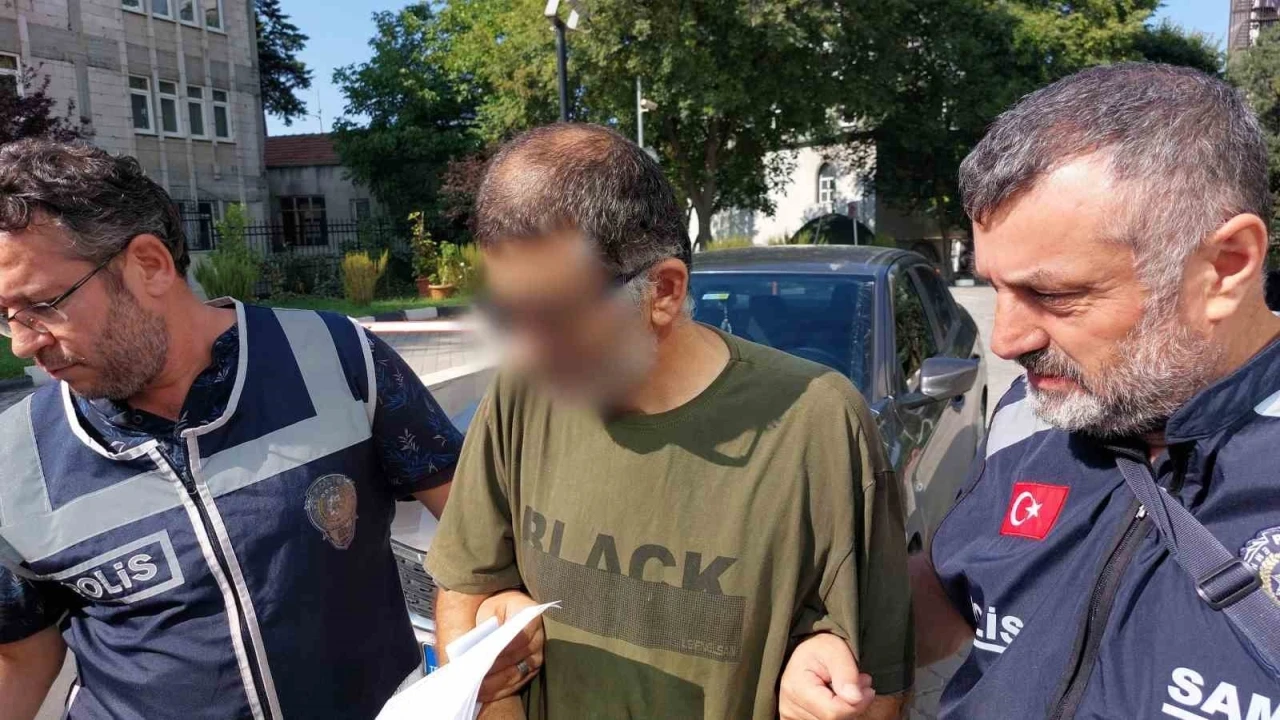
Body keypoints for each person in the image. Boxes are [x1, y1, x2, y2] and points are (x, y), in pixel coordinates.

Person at [779, 62, 1280, 719]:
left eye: (1053, 294)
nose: (1004, 341)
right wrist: (832, 645)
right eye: (996, 288)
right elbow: (954, 595)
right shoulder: (1031, 414)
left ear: (1225, 267)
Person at [0, 139, 539, 720]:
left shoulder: (336, 359)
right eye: (5, 316)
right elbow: (21, 654)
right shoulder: (15, 457)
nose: (24, 344)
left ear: (149, 265)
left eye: (42, 305)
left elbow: (480, 532)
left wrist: (490, 620)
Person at [425, 123, 914, 720]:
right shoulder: (520, 395)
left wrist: (825, 693)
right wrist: (492, 671)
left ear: (663, 291)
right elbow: (464, 588)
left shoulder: (820, 424)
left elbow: (882, 687)